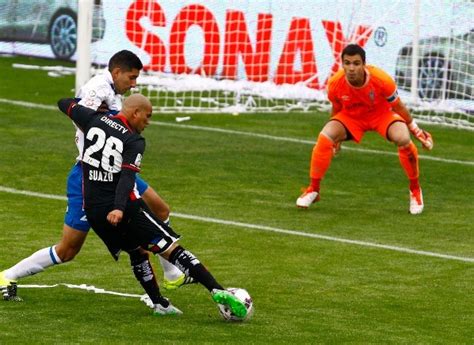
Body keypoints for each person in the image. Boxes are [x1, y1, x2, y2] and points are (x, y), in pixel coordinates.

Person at [1, 50, 189, 302]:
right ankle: (7, 275)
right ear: (116, 72)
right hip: (90, 175)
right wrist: (109, 124)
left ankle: (172, 275)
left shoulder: (114, 91)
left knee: (160, 210)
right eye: (131, 78)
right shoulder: (96, 88)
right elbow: (81, 118)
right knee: (68, 249)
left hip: (116, 171)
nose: (133, 84)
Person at [54, 94, 248, 317]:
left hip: (95, 212)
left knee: (137, 252)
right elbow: (127, 178)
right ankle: (218, 291)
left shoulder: (93, 120)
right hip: (123, 209)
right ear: (135, 113)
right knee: (170, 247)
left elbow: (64, 102)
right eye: (147, 117)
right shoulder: (133, 140)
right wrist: (118, 207)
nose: (148, 123)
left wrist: (90, 105)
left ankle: (159, 304)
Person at [296, 44, 433, 214]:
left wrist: (416, 130)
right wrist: (336, 140)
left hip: (381, 115)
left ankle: (415, 190)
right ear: (342, 64)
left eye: (356, 63)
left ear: (364, 64)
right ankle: (314, 189)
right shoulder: (334, 84)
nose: (351, 68)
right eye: (347, 63)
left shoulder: (382, 80)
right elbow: (337, 109)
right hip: (352, 117)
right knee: (325, 136)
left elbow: (398, 107)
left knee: (403, 139)